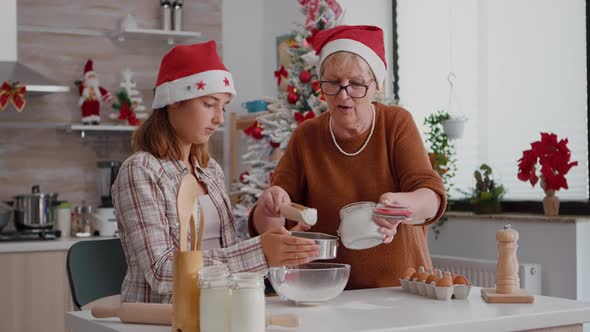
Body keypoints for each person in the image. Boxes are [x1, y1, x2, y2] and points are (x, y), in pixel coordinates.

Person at [112, 41, 319, 303]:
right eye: (209, 104)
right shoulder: (141, 171)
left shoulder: (211, 172)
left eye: (223, 106)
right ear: (174, 100)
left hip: (219, 310)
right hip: (163, 318)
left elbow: (228, 256)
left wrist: (278, 241)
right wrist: (261, 252)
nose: (219, 119)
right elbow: (162, 272)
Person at [250, 25, 447, 290]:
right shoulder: (307, 135)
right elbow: (275, 223)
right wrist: (268, 207)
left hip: (401, 288)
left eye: (356, 84)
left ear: (376, 85)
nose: (343, 95)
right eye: (333, 83)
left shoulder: (396, 123)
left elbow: (432, 198)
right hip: (326, 291)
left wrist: (401, 207)